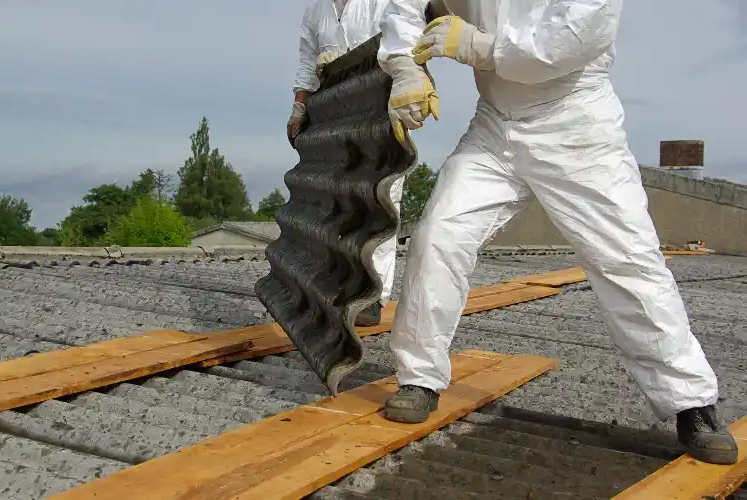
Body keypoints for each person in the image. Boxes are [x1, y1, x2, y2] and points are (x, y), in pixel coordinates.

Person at [376, 0, 738, 465]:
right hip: (494, 126)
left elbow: (568, 41)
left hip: (575, 123)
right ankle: (419, 377)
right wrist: (407, 68)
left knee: (627, 260)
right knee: (437, 237)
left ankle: (690, 402)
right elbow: (405, 8)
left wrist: (473, 44)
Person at [288, 0, 402, 327]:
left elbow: (403, 42)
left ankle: (373, 296)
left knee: (381, 199)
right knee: (339, 199)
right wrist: (300, 106)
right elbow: (307, 59)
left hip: (381, 106)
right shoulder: (317, 9)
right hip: (336, 113)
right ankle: (339, 286)